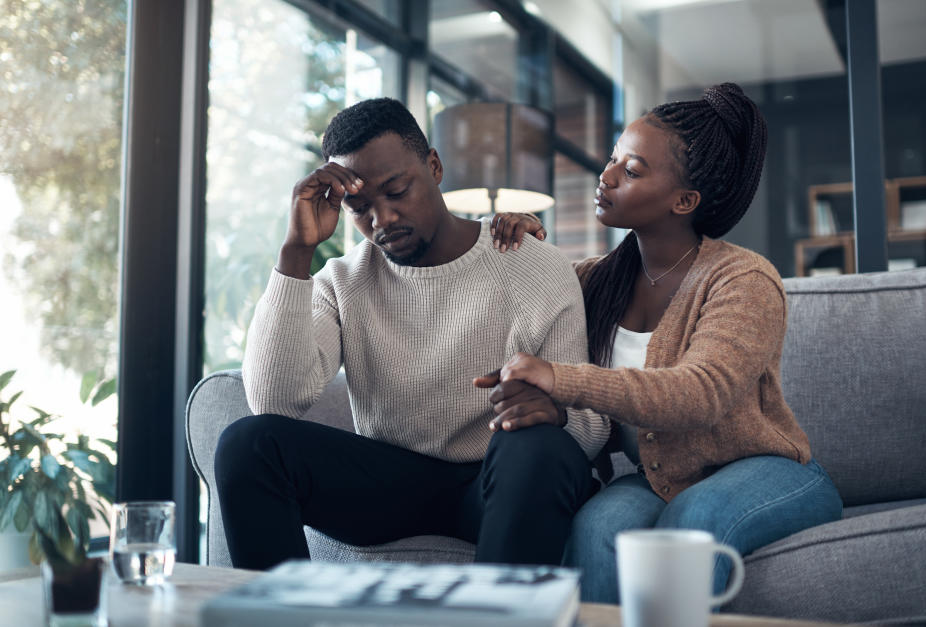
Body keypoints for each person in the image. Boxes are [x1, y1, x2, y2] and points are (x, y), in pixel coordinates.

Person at [477, 83, 842, 602]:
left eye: (631, 171)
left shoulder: (742, 279)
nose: (605, 177)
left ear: (684, 201)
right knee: (598, 530)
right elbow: (509, 308)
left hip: (768, 472)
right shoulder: (593, 281)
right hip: (654, 479)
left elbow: (699, 394)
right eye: (612, 159)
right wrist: (525, 253)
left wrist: (562, 380)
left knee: (695, 520)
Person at [213, 97, 609, 571]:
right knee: (248, 444)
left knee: (536, 443)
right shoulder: (342, 281)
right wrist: (296, 252)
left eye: (397, 190)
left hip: (501, 481)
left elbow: (591, 426)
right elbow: (274, 403)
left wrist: (554, 413)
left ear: (435, 166)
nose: (383, 220)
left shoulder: (530, 263)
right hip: (390, 485)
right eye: (360, 207)